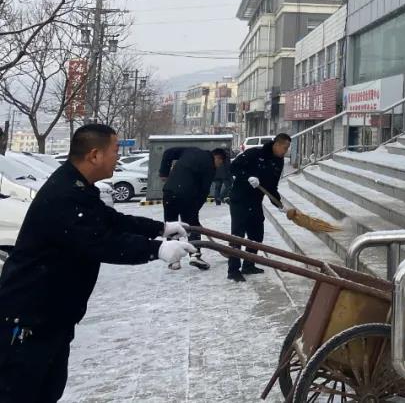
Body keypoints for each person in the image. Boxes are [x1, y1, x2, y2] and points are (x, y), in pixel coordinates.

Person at [0, 123, 193, 403]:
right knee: (22, 394)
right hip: (29, 316)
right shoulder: (64, 194)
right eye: (115, 150)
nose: (118, 157)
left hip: (53, 314)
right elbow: (99, 242)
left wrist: (159, 229)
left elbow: (110, 220)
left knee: (47, 390)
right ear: (94, 155)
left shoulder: (78, 186)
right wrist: (157, 250)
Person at [226, 133, 290, 282]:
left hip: (255, 201)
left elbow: (272, 187)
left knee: (256, 234)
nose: (286, 151)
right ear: (277, 144)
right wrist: (247, 176)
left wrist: (279, 204)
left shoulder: (278, 162)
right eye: (284, 147)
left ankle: (249, 265)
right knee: (237, 236)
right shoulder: (254, 153)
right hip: (240, 199)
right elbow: (233, 167)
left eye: (287, 148)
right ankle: (233, 270)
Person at [159, 146, 229, 269]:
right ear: (217, 158)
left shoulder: (190, 150)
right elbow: (204, 191)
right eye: (220, 163)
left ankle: (173, 259)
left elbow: (168, 152)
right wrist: (195, 210)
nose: (218, 166)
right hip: (188, 196)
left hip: (169, 193)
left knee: (171, 225)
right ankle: (195, 255)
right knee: (193, 226)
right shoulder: (210, 167)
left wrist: (164, 172)